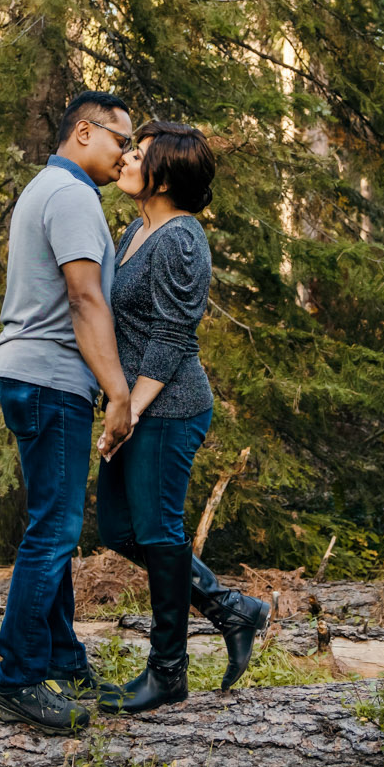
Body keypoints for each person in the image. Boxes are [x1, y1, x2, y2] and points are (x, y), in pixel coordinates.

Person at [95, 121, 269, 714]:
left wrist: (129, 411)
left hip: (168, 406)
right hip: (136, 406)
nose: (124, 158)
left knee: (160, 532)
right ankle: (230, 609)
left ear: (164, 174)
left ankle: (168, 671)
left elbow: (171, 338)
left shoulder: (182, 238)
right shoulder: (133, 232)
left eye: (136, 153)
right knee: (119, 530)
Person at [0, 90, 138, 733]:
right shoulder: (72, 196)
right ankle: (16, 679)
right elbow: (83, 300)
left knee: (53, 523)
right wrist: (118, 391)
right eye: (119, 141)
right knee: (53, 531)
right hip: (50, 377)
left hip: (24, 372)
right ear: (83, 131)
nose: (125, 154)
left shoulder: (45, 187)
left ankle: (66, 664)